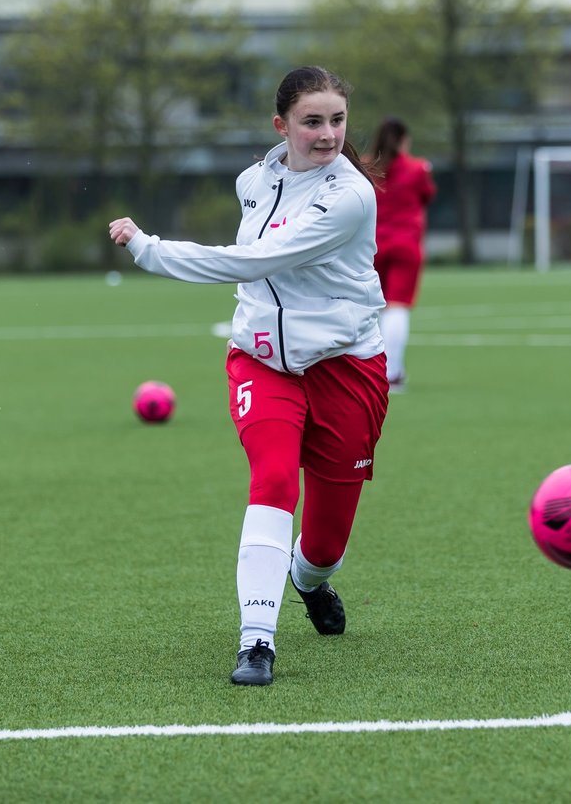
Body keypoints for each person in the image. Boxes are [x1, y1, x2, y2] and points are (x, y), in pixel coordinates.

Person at [108, 66, 389, 687]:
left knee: (324, 545)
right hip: (261, 362)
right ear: (281, 124)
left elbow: (255, 258)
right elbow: (254, 268)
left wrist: (149, 248)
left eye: (337, 120)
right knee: (271, 481)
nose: (327, 134)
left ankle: (307, 581)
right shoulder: (253, 181)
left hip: (346, 370)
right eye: (312, 121)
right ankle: (256, 642)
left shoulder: (351, 197)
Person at [368, 118, 436, 391]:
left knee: (370, 308)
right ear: (404, 139)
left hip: (370, 245)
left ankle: (367, 370)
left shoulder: (365, 167)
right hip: (405, 244)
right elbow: (427, 196)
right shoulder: (417, 168)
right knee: (396, 306)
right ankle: (392, 372)